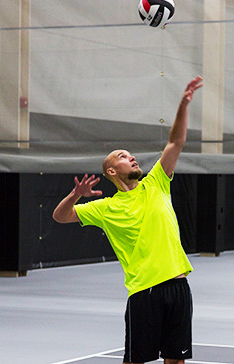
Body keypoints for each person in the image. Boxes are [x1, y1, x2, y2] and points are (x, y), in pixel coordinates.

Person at [53, 76, 203, 364]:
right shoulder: (105, 208)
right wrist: (75, 195)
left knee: (177, 360)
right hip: (144, 293)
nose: (132, 158)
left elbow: (176, 141)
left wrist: (183, 105)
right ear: (111, 171)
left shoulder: (157, 183)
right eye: (123, 156)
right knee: (135, 361)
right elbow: (60, 217)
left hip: (179, 287)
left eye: (132, 155)